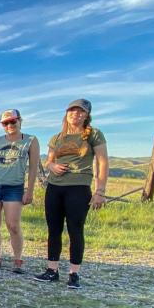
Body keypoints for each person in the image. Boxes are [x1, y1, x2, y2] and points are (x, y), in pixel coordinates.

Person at [34, 99, 108, 289]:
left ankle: (74, 273)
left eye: (80, 111)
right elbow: (49, 161)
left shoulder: (93, 135)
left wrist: (100, 191)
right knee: (54, 229)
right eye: (72, 110)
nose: (76, 114)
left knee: (75, 229)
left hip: (78, 185)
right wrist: (52, 166)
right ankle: (52, 270)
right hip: (55, 185)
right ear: (67, 113)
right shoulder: (57, 138)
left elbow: (102, 162)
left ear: (86, 115)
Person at [0, 109, 39, 273]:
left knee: (13, 225)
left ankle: (18, 260)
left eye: (13, 121)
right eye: (6, 123)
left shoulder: (30, 140)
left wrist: (29, 191)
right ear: (2, 125)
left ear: (20, 121)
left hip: (14, 187)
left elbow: (33, 168)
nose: (10, 125)